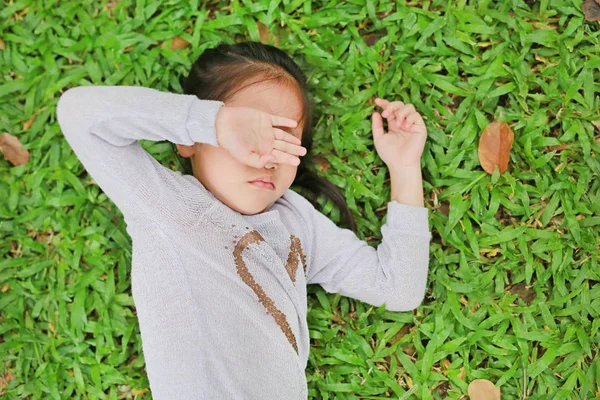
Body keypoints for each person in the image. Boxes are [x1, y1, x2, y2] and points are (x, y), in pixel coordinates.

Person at [55, 41, 432, 399]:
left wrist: (404, 166)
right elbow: (78, 113)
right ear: (191, 139)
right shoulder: (166, 206)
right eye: (252, 133)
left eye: (284, 139)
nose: (267, 156)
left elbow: (397, 287)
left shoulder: (297, 222)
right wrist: (212, 122)